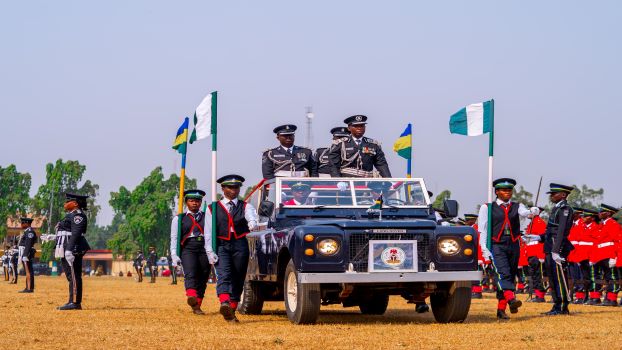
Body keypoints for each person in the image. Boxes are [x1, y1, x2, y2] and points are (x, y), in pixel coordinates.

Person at [477, 178, 539, 320]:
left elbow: (524, 213)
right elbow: (483, 230)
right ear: (497, 192)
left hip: (513, 244)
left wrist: (532, 211)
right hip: (496, 245)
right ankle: (511, 299)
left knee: (510, 275)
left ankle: (501, 310)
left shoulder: (517, 206)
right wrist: (484, 249)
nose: (507, 193)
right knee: (502, 274)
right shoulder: (487, 207)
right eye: (504, 190)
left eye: (510, 190)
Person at [211, 175, 258, 322]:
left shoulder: (246, 206)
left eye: (236, 187)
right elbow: (208, 231)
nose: (233, 190)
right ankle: (224, 301)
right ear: (223, 188)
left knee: (238, 276)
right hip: (222, 244)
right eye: (230, 187)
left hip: (240, 244)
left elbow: (252, 218)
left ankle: (231, 308)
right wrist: (209, 250)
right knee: (224, 274)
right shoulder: (212, 208)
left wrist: (252, 224)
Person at [170, 189, 217, 315]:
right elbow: (174, 238)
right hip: (188, 248)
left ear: (201, 202)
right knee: (190, 273)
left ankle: (197, 304)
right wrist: (174, 254)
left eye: (197, 201)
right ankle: (191, 296)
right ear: (186, 203)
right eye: (191, 201)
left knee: (203, 275)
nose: (194, 203)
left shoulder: (208, 217)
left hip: (204, 247)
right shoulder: (178, 219)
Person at [57, 193, 91, 310]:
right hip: (67, 245)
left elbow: (76, 233)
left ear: (75, 203)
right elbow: (66, 231)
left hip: (73, 247)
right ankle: (72, 300)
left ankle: (76, 302)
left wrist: (69, 249)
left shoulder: (78, 215)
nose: (65, 204)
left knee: (74, 275)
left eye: (68, 201)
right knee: (70, 275)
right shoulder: (70, 215)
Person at [590, 204, 621, 306]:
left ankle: (612, 299)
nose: (599, 213)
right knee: (603, 278)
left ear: (608, 213)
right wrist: (594, 257)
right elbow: (597, 242)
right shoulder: (601, 225)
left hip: (609, 253)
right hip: (600, 255)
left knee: (612, 277)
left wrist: (614, 257)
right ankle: (601, 298)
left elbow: (617, 242)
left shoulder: (613, 224)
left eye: (601, 212)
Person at [572, 209, 597, 304]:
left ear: (593, 218)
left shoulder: (595, 227)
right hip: (582, 256)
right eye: (584, 216)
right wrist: (578, 257)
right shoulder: (583, 227)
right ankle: (585, 296)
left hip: (590, 256)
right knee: (585, 278)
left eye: (587, 216)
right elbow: (579, 243)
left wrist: (593, 258)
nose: (584, 218)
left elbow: (595, 244)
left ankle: (594, 297)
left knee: (592, 277)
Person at [523, 208, 547, 302]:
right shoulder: (531, 224)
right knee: (533, 275)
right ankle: (537, 294)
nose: (528, 214)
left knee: (538, 275)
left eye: (530, 212)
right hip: (531, 253)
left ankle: (540, 296)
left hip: (537, 254)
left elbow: (542, 240)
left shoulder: (540, 223)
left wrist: (541, 256)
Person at [18, 217, 37, 293]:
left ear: (27, 223)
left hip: (27, 252)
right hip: (25, 252)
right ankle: (28, 287)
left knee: (28, 270)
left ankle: (29, 288)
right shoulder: (27, 231)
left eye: (22, 223)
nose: (21, 224)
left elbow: (28, 244)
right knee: (28, 270)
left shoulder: (29, 232)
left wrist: (25, 255)